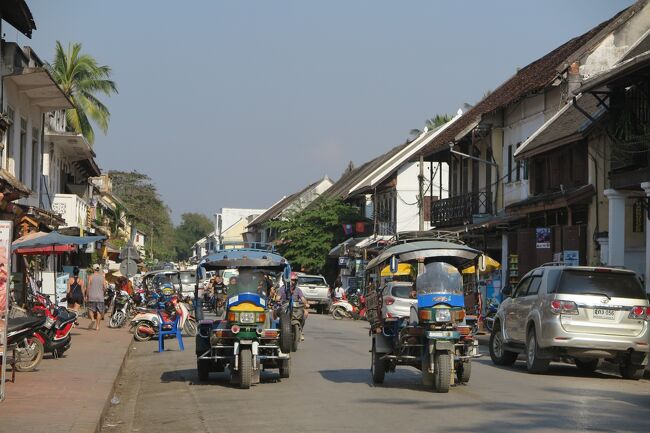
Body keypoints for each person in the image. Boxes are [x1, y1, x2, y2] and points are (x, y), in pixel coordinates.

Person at [280, 272, 309, 340]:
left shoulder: (298, 290)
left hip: (296, 307)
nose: (293, 282)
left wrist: (306, 303)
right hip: (285, 306)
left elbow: (303, 298)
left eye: (294, 280)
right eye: (292, 280)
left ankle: (300, 330)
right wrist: (278, 300)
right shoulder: (282, 289)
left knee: (305, 313)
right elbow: (278, 298)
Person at [86, 264, 107, 331]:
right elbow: (105, 287)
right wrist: (103, 292)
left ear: (93, 269)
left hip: (92, 296)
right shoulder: (102, 277)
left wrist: (86, 295)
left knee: (90, 309)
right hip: (100, 297)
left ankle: (92, 319)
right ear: (98, 269)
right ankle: (97, 327)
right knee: (99, 312)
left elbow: (88, 287)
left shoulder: (90, 277)